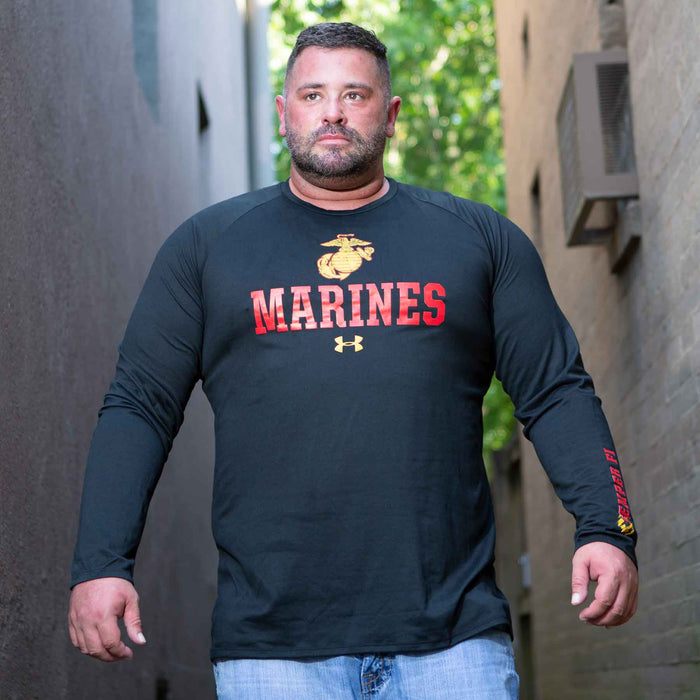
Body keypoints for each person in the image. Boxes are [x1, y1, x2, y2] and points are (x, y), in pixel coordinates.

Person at [68, 21, 638, 699]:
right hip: (274, 650)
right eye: (312, 94)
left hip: (454, 642)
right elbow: (139, 406)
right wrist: (100, 561)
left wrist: (608, 527)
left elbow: (556, 391)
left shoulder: (479, 240)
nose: (333, 112)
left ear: (390, 115)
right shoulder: (207, 249)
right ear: (284, 113)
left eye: (354, 95)